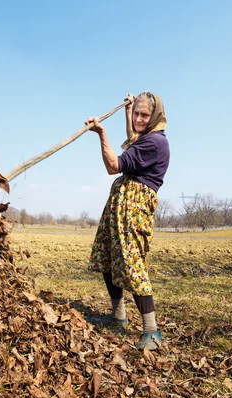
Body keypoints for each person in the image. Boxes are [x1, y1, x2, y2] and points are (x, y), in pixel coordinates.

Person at [85, 91, 170, 351]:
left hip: (134, 207)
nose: (139, 119)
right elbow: (133, 138)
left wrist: (101, 134)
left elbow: (114, 165)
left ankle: (152, 332)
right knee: (108, 256)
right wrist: (127, 111)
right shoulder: (144, 139)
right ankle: (118, 316)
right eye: (137, 113)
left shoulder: (155, 143)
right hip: (120, 203)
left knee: (132, 264)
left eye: (145, 115)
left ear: (155, 116)